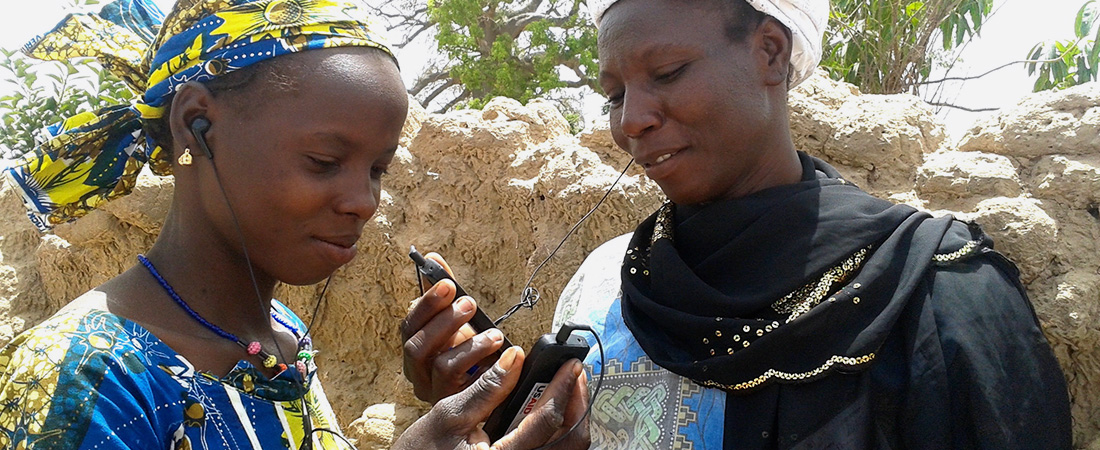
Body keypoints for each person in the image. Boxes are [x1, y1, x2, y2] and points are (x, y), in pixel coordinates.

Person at [401, 0, 1074, 448]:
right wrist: (475, 408)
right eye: (613, 95)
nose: (630, 119)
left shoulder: (938, 290)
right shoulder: (605, 283)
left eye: (665, 71)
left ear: (771, 54)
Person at [0, 0, 588, 448]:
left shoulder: (281, 339)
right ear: (194, 123)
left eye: (378, 168)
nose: (363, 201)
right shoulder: (85, 376)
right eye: (324, 163)